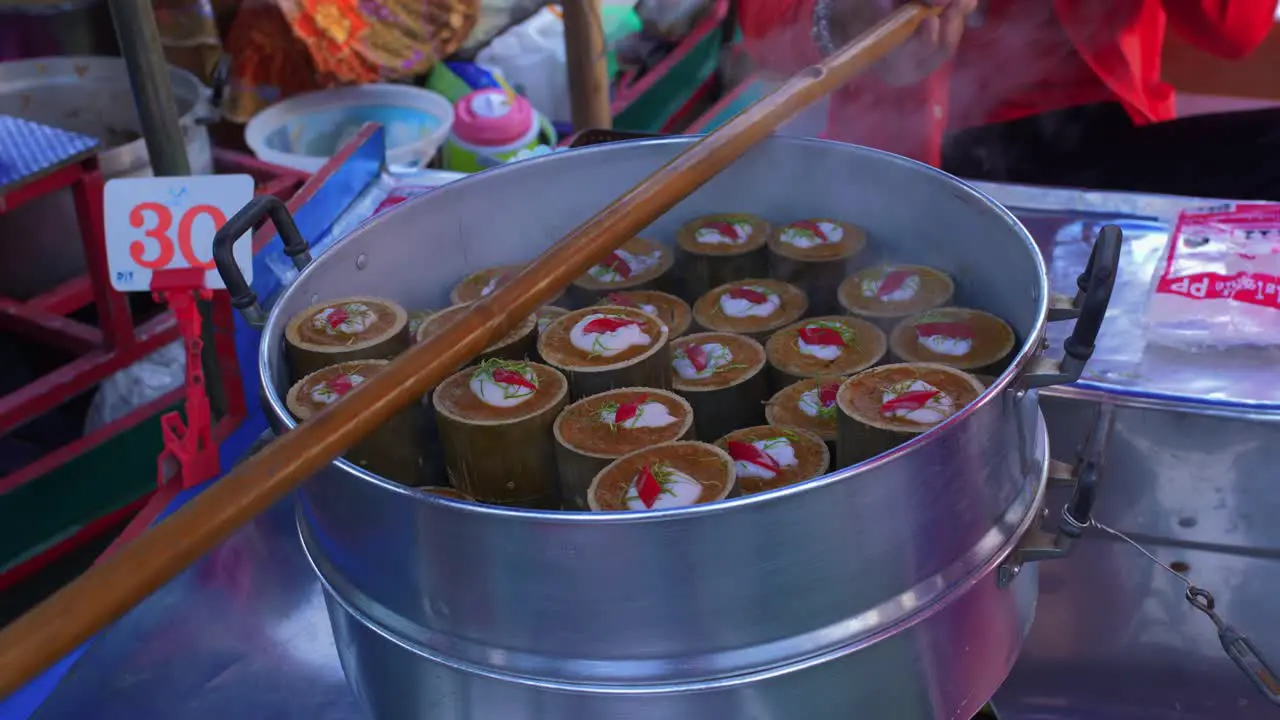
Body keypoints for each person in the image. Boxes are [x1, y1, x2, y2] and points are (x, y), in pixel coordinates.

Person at [739, 0, 1280, 199]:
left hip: (1116, 132)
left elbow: (1234, 31)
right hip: (927, 161)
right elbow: (762, 22)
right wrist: (845, 16)